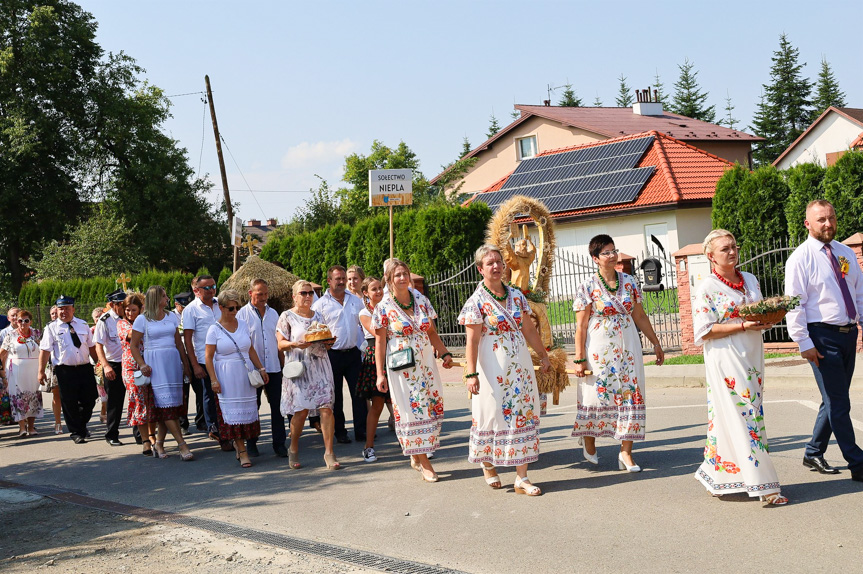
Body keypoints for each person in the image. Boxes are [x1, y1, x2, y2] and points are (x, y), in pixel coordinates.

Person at [693, 230, 787, 505]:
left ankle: (717, 474)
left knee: (740, 414)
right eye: (725, 249)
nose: (732, 252)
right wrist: (742, 325)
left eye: (734, 246)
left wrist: (765, 320)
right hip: (725, 356)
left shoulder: (750, 279)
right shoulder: (707, 287)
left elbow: (755, 309)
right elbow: (703, 330)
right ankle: (765, 487)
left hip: (752, 354)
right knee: (747, 416)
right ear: (710, 256)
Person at [458, 244, 550, 495]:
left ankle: (522, 477)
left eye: (499, 261)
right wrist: (471, 373)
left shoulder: (517, 296)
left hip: (518, 366)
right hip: (490, 365)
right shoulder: (476, 301)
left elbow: (529, 329)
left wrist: (543, 355)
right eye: (490, 263)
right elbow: (473, 341)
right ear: (480, 269)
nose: (496, 266)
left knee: (522, 412)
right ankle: (488, 464)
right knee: (492, 412)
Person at [571, 234, 665, 472]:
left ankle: (626, 452)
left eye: (614, 251)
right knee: (597, 395)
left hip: (628, 347)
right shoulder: (587, 286)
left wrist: (655, 342)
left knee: (631, 394)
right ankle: (589, 441)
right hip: (599, 349)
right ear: (595, 258)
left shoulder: (630, 282)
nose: (613, 256)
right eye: (606, 252)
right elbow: (581, 326)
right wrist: (580, 358)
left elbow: (640, 316)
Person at [785, 199, 863, 483]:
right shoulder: (800, 258)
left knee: (833, 399)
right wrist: (803, 342)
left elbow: (858, 291)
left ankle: (813, 450)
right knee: (840, 402)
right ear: (808, 223)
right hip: (821, 337)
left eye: (831, 218)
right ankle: (857, 461)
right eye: (821, 220)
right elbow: (795, 304)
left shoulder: (845, 253)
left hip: (847, 334)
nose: (828, 224)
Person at [373, 258, 453, 482]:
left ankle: (416, 454)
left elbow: (432, 333)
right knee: (412, 411)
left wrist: (445, 353)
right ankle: (424, 462)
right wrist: (380, 374)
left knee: (432, 407)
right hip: (402, 367)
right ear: (388, 280)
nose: (402, 278)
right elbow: (380, 342)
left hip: (426, 363)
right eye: (397, 275)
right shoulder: (383, 307)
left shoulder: (421, 300)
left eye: (404, 273)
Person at [276, 280, 340, 470]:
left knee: (326, 408)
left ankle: (329, 452)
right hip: (300, 368)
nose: (307, 296)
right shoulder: (286, 316)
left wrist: (329, 342)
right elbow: (280, 344)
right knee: (301, 412)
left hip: (320, 365)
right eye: (303, 293)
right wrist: (295, 344)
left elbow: (324, 337)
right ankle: (293, 447)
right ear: (294, 296)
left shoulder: (319, 315)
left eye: (310, 293)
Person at [130, 286, 194, 460]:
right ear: (155, 299)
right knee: (164, 405)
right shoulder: (142, 320)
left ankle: (158, 443)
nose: (167, 298)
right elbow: (133, 346)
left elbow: (179, 343)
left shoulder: (171, 316)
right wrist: (142, 364)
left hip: (172, 362)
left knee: (170, 406)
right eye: (164, 296)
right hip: (155, 364)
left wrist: (185, 364)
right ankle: (182, 445)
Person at [205, 290, 267, 468]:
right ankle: (242, 450)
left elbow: (250, 349)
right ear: (222, 308)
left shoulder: (244, 324)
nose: (235, 311)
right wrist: (214, 380)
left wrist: (261, 368)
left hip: (245, 373)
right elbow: (208, 357)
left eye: (237, 308)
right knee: (232, 414)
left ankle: (242, 445)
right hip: (226, 375)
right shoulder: (214, 329)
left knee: (247, 411)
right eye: (231, 308)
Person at [312, 265, 367, 443]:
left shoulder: (356, 300)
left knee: (359, 394)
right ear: (329, 281)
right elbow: (315, 331)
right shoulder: (320, 305)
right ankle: (340, 432)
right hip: (332, 355)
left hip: (352, 354)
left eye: (344, 278)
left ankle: (362, 431)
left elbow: (364, 324)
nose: (343, 282)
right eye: (338, 279)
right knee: (335, 396)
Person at [38, 296, 99, 444]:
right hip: (65, 370)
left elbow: (91, 346)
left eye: (66, 308)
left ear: (73, 309)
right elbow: (45, 350)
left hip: (85, 368)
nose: (63, 311)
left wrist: (99, 363)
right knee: (69, 402)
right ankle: (76, 432)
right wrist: (40, 371)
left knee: (90, 399)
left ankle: (81, 424)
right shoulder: (51, 328)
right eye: (60, 308)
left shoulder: (83, 325)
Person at [236, 278, 286, 458]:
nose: (264, 297)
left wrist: (283, 365)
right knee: (253, 406)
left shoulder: (274, 314)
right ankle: (251, 443)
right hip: (252, 369)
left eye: (266, 294)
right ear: (250, 294)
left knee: (278, 407)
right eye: (260, 294)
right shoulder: (242, 314)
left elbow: (279, 342)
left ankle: (279, 444)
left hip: (273, 366)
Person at [182, 275, 223, 447]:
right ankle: (212, 426)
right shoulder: (191, 309)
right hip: (204, 359)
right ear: (196, 290)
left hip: (224, 356)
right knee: (208, 394)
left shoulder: (220, 304)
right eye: (206, 287)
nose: (211, 290)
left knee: (224, 392)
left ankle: (226, 424)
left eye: (213, 286)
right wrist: (194, 365)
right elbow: (188, 340)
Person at [117, 293, 157, 456]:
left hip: (150, 365)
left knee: (152, 401)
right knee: (139, 401)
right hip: (132, 368)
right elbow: (132, 335)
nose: (130, 313)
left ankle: (153, 435)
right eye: (127, 310)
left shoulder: (146, 321)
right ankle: (145, 441)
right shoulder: (121, 324)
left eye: (133, 310)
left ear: (141, 309)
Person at [357, 276, 390, 462]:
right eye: (374, 289)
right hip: (376, 358)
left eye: (380, 287)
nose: (378, 291)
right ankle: (368, 447)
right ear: (366, 293)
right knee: (377, 404)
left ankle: (412, 445)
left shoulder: (390, 307)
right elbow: (376, 332)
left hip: (394, 356)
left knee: (400, 404)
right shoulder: (364, 312)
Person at [94, 289, 129, 446]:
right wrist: (106, 366)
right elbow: (98, 346)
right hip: (114, 363)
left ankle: (139, 434)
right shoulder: (105, 320)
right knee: (115, 402)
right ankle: (112, 434)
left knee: (136, 398)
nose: (126, 308)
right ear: (116, 305)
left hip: (131, 363)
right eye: (123, 305)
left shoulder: (130, 318)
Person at [1, 310, 43, 437]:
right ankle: (22, 427)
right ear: (16, 322)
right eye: (20, 320)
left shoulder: (36, 333)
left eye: (26, 320)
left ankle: (31, 427)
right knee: (18, 397)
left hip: (33, 369)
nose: (23, 323)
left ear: (30, 321)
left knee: (33, 397)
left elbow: (45, 350)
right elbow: (2, 353)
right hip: (16, 370)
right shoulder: (10, 335)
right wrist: (1, 371)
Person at [172, 291, 198, 435]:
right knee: (184, 393)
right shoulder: (171, 316)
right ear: (177, 305)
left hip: (193, 354)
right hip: (179, 357)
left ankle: (202, 421)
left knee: (200, 389)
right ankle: (183, 423)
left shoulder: (192, 312)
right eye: (183, 306)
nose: (186, 308)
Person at [42, 305, 63, 434]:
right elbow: (44, 349)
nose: (54, 315)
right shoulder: (48, 327)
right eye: (52, 314)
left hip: (68, 366)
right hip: (54, 367)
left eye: (56, 313)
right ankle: (58, 423)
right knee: (56, 395)